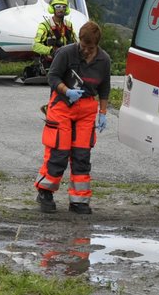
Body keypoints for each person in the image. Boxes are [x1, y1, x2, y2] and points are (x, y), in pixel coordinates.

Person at [35, 20, 112, 215]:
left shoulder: (104, 60)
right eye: (83, 46)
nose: (85, 50)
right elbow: (53, 77)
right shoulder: (66, 53)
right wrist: (67, 91)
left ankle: (79, 201)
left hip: (86, 109)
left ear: (97, 45)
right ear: (79, 41)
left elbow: (104, 88)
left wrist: (102, 113)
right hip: (62, 104)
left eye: (90, 47)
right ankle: (45, 192)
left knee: (81, 156)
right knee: (59, 152)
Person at [22, 0, 76, 82]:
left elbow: (76, 44)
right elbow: (35, 45)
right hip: (51, 58)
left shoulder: (69, 25)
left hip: (67, 59)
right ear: (52, 8)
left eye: (63, 7)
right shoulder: (44, 25)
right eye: (58, 6)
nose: (61, 9)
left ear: (66, 9)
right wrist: (51, 51)